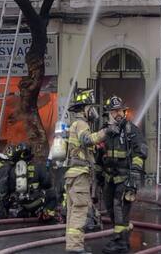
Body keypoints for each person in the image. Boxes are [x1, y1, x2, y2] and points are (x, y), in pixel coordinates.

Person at [64, 88, 114, 254]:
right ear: (84, 108)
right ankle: (76, 248)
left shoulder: (76, 124)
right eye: (90, 107)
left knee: (73, 211)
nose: (93, 110)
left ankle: (72, 246)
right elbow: (86, 140)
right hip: (79, 175)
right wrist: (105, 132)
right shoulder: (81, 124)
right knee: (80, 210)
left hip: (73, 174)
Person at [97, 96, 147, 254]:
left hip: (125, 178)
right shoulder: (106, 132)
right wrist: (99, 174)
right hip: (109, 178)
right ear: (109, 113)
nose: (117, 114)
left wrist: (134, 177)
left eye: (120, 110)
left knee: (120, 209)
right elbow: (100, 155)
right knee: (111, 209)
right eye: (114, 111)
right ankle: (121, 237)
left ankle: (120, 243)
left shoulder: (131, 130)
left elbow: (140, 153)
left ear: (124, 111)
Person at [10, 142, 57, 221]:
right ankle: (46, 214)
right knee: (53, 195)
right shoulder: (38, 167)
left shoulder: (13, 169)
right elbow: (47, 184)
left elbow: (10, 187)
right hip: (36, 202)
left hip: (21, 203)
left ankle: (25, 212)